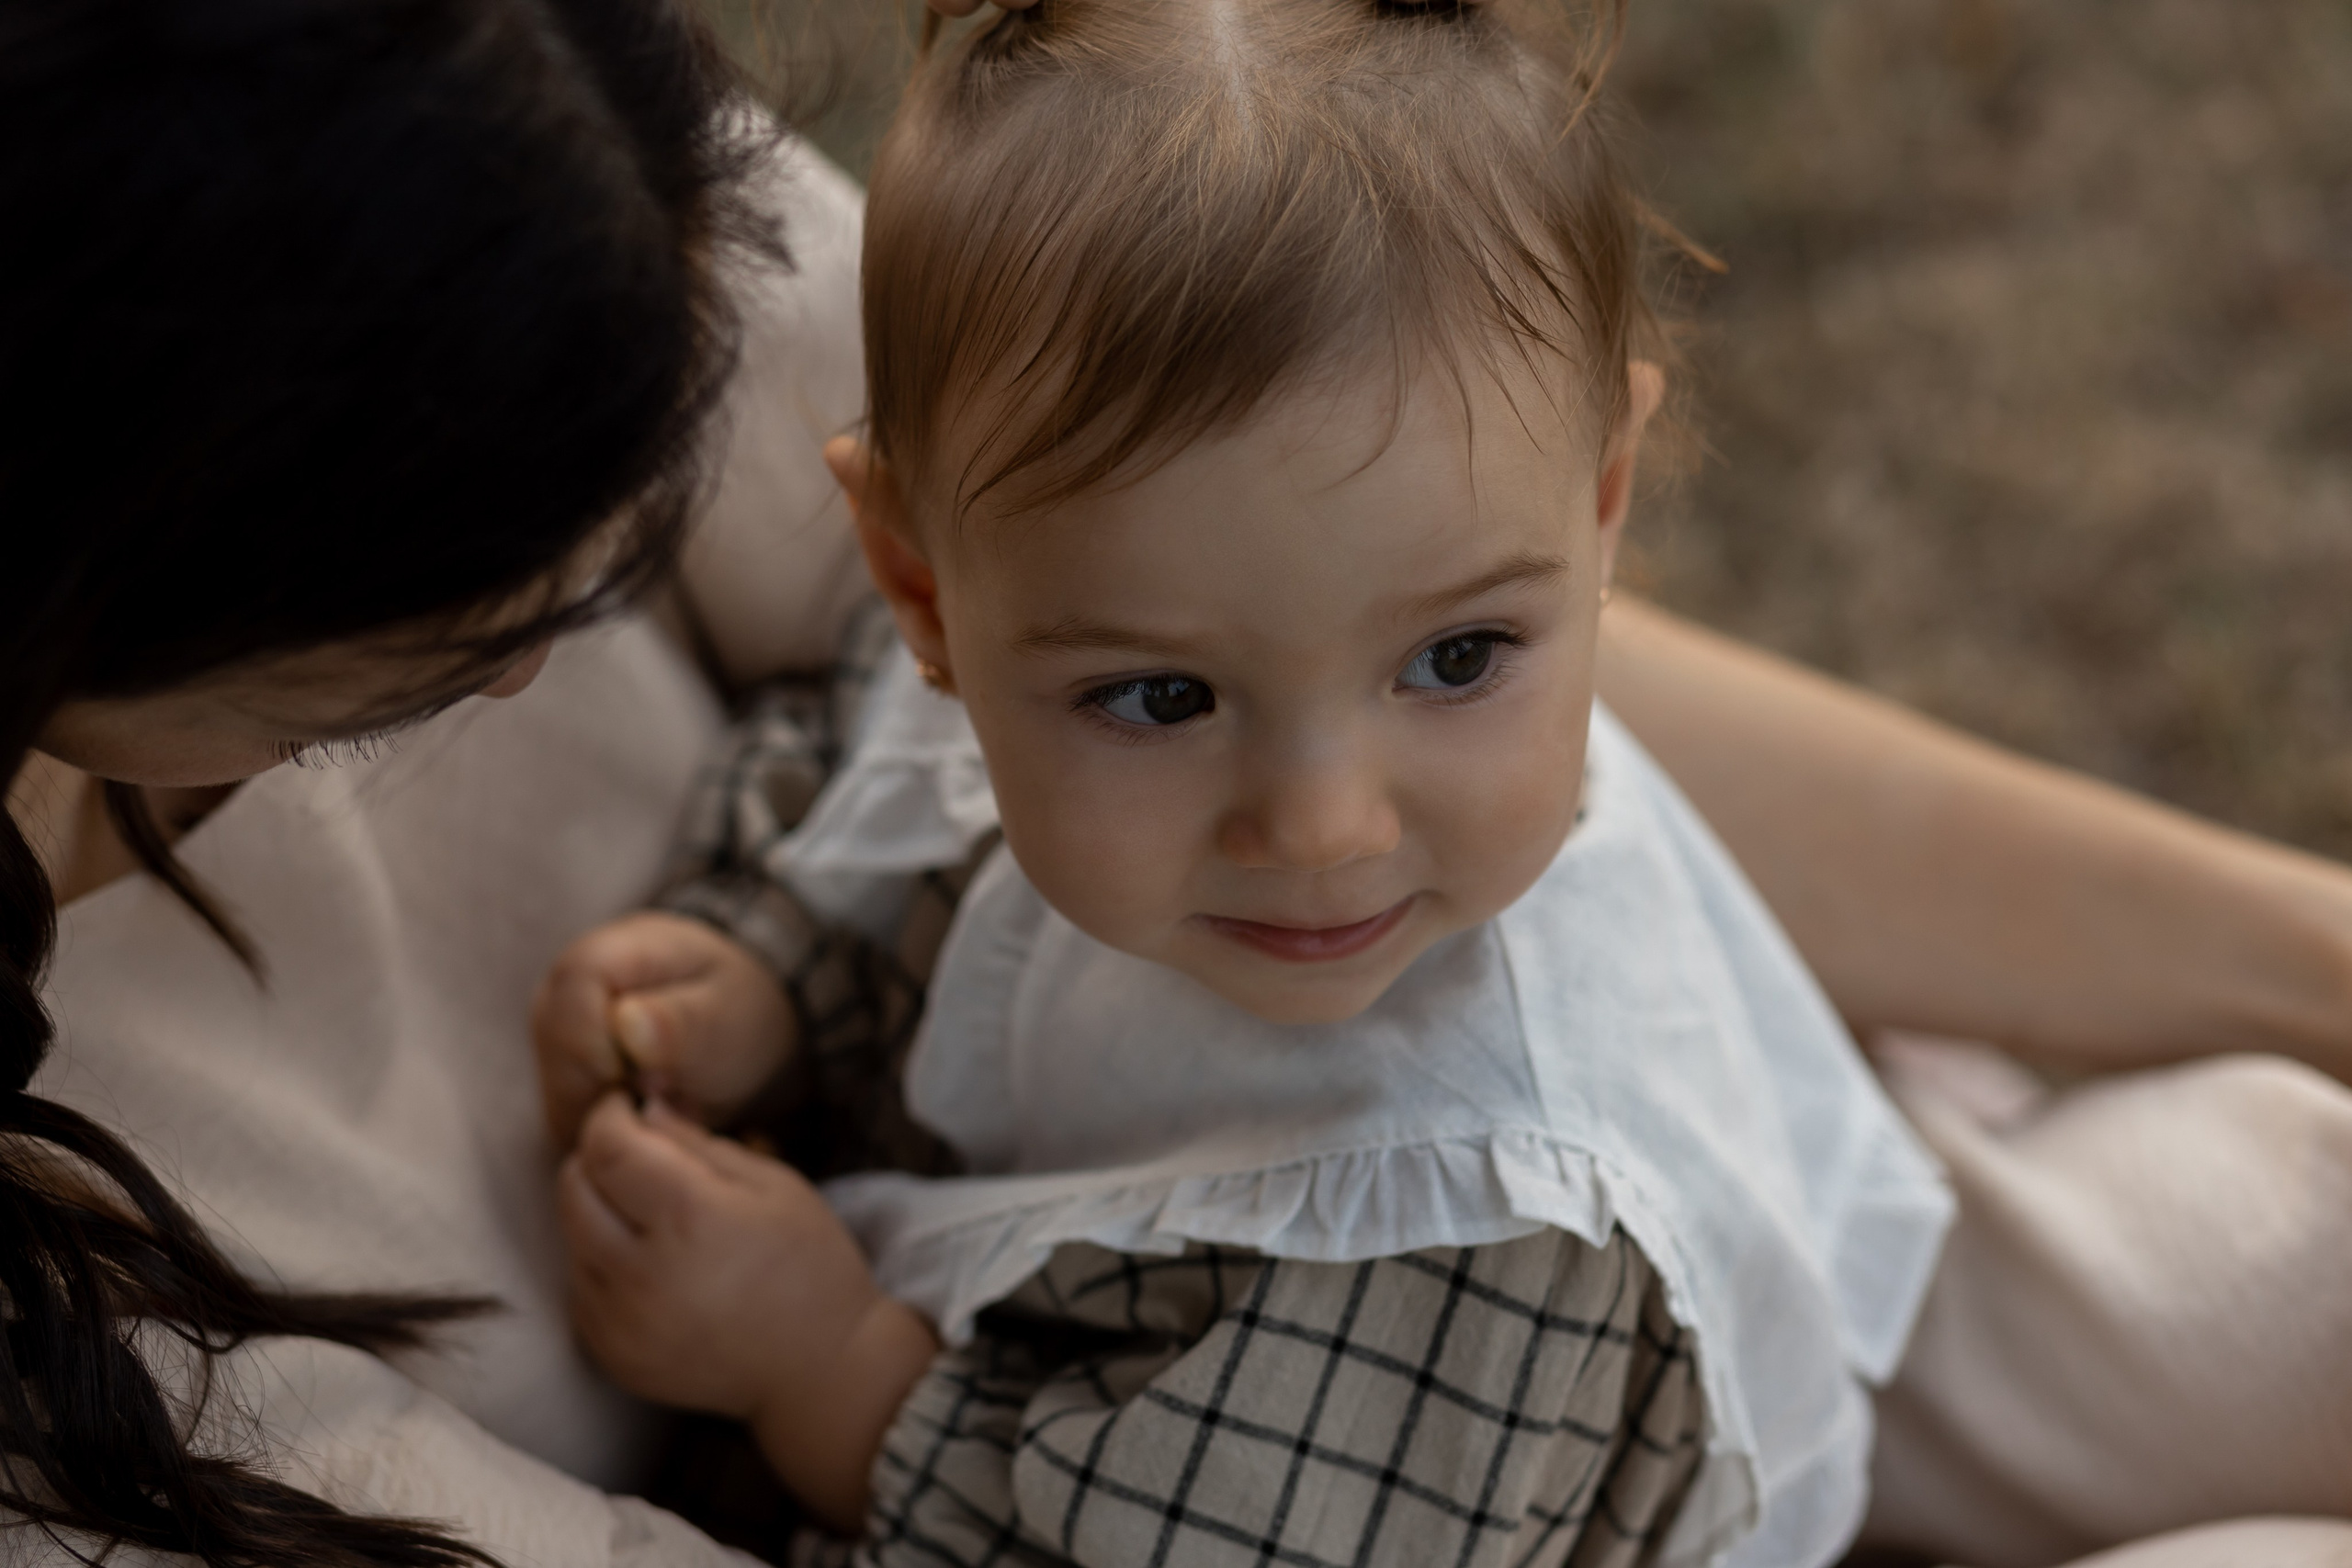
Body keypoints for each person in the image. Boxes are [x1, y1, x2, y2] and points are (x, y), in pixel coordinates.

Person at [7, 0, 2348, 1565]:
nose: (1323, 822)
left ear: (1604, 511)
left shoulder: (1475, 1225)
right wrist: (806, 1205)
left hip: (1732, 1268)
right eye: (1155, 700)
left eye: (1461, 654)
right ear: (922, 579)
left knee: (2251, 1238)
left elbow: (924, 735)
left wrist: (770, 1002)